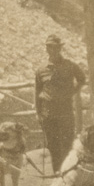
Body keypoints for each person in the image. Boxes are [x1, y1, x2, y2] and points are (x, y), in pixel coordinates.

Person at [35, 34, 86, 173]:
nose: (52, 50)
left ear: (60, 48)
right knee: (52, 144)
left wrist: (72, 92)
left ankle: (68, 171)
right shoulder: (41, 69)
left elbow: (82, 78)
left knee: (67, 142)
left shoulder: (69, 65)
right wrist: (38, 112)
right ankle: (58, 172)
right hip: (48, 112)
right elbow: (37, 92)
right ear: (46, 49)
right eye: (49, 47)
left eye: (55, 47)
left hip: (65, 111)